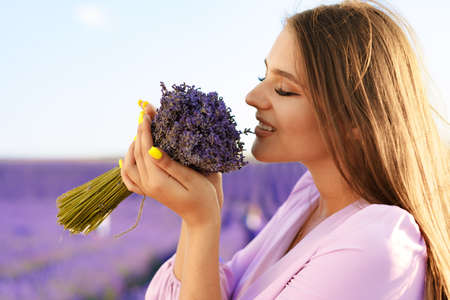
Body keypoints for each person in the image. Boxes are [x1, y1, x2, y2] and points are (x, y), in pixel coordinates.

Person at [120, 0, 450, 299]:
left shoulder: (376, 246)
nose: (252, 96)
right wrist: (200, 207)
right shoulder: (310, 198)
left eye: (283, 89)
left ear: (356, 120)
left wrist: (201, 222)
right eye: (263, 75)